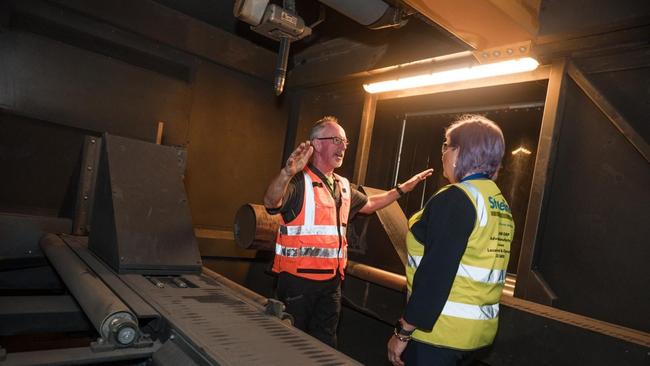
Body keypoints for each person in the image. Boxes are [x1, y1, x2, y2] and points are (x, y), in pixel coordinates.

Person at [264, 116, 433, 348]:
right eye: (336, 140)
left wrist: (402, 189)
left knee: (325, 344)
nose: (343, 146)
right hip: (297, 285)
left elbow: (371, 204)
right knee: (290, 345)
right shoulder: (298, 181)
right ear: (317, 144)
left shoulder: (342, 185)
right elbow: (271, 202)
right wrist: (286, 173)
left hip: (332, 285)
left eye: (345, 141)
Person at [387, 115, 514, 366]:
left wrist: (403, 332)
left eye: (446, 145)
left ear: (460, 153)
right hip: (475, 335)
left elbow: (436, 273)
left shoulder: (456, 199)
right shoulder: (497, 202)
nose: (443, 153)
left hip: (439, 333)